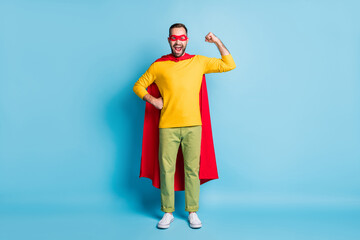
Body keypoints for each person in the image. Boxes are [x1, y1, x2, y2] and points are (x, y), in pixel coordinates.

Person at [133, 23, 236, 229]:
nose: (178, 41)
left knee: (192, 170)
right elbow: (138, 85)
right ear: (169, 40)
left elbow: (229, 64)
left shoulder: (198, 62)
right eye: (174, 38)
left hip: (193, 126)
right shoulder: (158, 65)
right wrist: (154, 100)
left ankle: (192, 212)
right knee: (166, 170)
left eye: (181, 38)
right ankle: (168, 212)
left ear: (186, 40)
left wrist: (216, 40)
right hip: (167, 126)